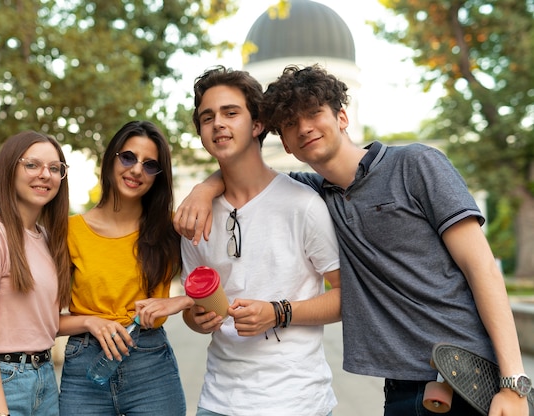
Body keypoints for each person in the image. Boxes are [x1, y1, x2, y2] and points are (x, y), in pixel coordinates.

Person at [175, 64, 532, 415]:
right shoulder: (314, 193)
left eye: (314, 113)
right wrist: (204, 189)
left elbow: (481, 267)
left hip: (469, 377)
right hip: (401, 387)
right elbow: (246, 175)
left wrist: (513, 381)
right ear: (283, 142)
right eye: (291, 124)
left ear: (342, 117)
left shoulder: (416, 165)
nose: (305, 128)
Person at [179, 65, 341, 416]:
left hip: (296, 402)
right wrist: (198, 318)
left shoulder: (303, 204)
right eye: (207, 117)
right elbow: (194, 312)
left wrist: (278, 312)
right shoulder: (197, 216)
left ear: (257, 125)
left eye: (230, 113)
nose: (218, 123)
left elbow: (348, 299)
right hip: (218, 402)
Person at [58, 120, 189, 416]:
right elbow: (44, 321)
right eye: (128, 157)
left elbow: (218, 284)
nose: (136, 170)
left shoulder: (171, 228)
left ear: (158, 175)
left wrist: (179, 301)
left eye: (150, 164)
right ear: (111, 159)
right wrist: (90, 321)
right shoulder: (70, 231)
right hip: (85, 367)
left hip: (151, 367)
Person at [0, 131, 71, 416]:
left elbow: (41, 324)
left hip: (43, 380)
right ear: (9, 170)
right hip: (1, 380)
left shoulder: (45, 238)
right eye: (32, 165)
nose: (45, 174)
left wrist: (93, 323)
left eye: (55, 168)